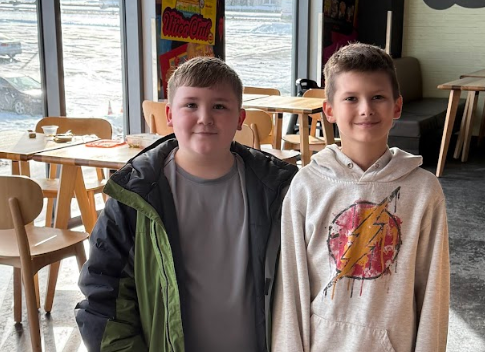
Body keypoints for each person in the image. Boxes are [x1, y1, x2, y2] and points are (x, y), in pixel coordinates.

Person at [75, 56, 298, 351]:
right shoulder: (134, 197)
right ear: (169, 114)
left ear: (240, 118)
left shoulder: (280, 190)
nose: (205, 117)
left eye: (219, 106)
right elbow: (104, 297)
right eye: (191, 105)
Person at [272, 43, 450, 352]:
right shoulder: (306, 186)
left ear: (397, 106)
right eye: (351, 98)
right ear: (329, 111)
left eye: (377, 97)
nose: (366, 108)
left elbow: (432, 290)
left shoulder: (423, 190)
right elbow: (291, 287)